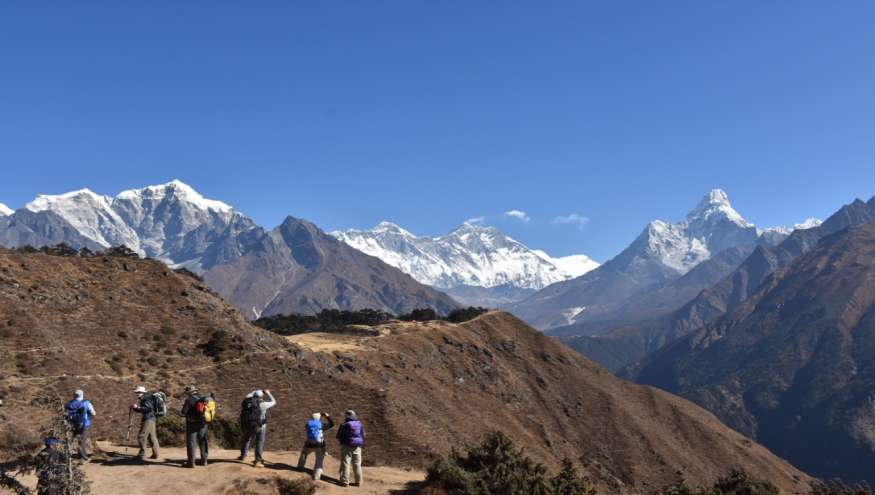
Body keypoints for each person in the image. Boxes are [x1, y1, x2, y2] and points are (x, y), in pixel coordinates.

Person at [238, 389, 276, 466]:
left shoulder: (246, 402)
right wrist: (268, 393)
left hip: (248, 424)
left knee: (246, 439)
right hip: (260, 426)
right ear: (261, 397)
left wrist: (256, 391)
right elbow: (274, 401)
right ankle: (257, 461)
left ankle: (243, 456)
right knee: (259, 442)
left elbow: (249, 395)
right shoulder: (263, 404)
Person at [296, 412, 334, 481]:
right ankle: (316, 477)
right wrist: (327, 416)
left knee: (304, 454)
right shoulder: (321, 425)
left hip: (309, 444)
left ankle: (299, 468)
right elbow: (332, 424)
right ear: (319, 418)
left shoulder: (307, 424)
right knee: (319, 460)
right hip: (319, 445)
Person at [180, 385, 208, 467]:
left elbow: (183, 412)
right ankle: (204, 461)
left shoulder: (189, 400)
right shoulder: (202, 398)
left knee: (191, 442)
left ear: (189, 392)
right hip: (202, 423)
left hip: (191, 424)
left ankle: (191, 462)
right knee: (202, 441)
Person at [64, 389, 96, 460]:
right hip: (84, 424)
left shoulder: (69, 403)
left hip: (72, 425)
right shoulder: (86, 403)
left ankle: (68, 455)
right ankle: (83, 456)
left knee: (72, 440)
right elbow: (94, 413)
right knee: (82, 441)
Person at [130, 386, 159, 461]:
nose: (137, 394)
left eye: (138, 392)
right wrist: (136, 408)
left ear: (143, 392)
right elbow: (146, 409)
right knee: (152, 437)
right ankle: (155, 454)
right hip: (152, 419)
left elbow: (148, 409)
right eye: (137, 392)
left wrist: (138, 407)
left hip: (148, 419)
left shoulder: (145, 398)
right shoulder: (147, 398)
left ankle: (141, 455)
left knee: (141, 436)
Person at [336, 409, 365, 487]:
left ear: (346, 416)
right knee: (357, 464)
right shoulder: (359, 424)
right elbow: (363, 435)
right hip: (358, 446)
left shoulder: (344, 425)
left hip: (346, 446)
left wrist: (342, 442)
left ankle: (344, 482)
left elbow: (338, 436)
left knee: (346, 463)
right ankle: (358, 481)